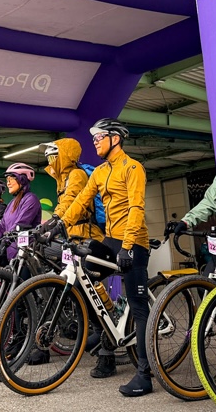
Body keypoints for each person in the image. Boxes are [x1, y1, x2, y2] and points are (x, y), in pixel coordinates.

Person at [57, 118, 153, 397]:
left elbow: (136, 208)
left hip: (134, 242)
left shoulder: (132, 168)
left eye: (99, 137)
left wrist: (128, 246)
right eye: (94, 138)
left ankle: (144, 374)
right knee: (84, 273)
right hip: (111, 239)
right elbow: (81, 201)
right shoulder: (99, 172)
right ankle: (105, 330)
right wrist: (58, 223)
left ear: (115, 138)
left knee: (139, 307)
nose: (95, 142)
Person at [43, 138, 104, 242]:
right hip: (71, 232)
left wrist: (55, 218)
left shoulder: (77, 174)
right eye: (48, 159)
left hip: (84, 234)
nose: (50, 163)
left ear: (64, 157)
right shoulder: (62, 180)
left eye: (52, 158)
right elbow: (62, 205)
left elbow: (70, 200)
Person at [0, 163, 41, 260]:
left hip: (26, 255)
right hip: (11, 253)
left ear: (22, 180)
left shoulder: (31, 199)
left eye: (10, 179)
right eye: (7, 180)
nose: (8, 183)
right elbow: (2, 226)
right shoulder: (12, 203)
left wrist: (4, 242)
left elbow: (21, 224)